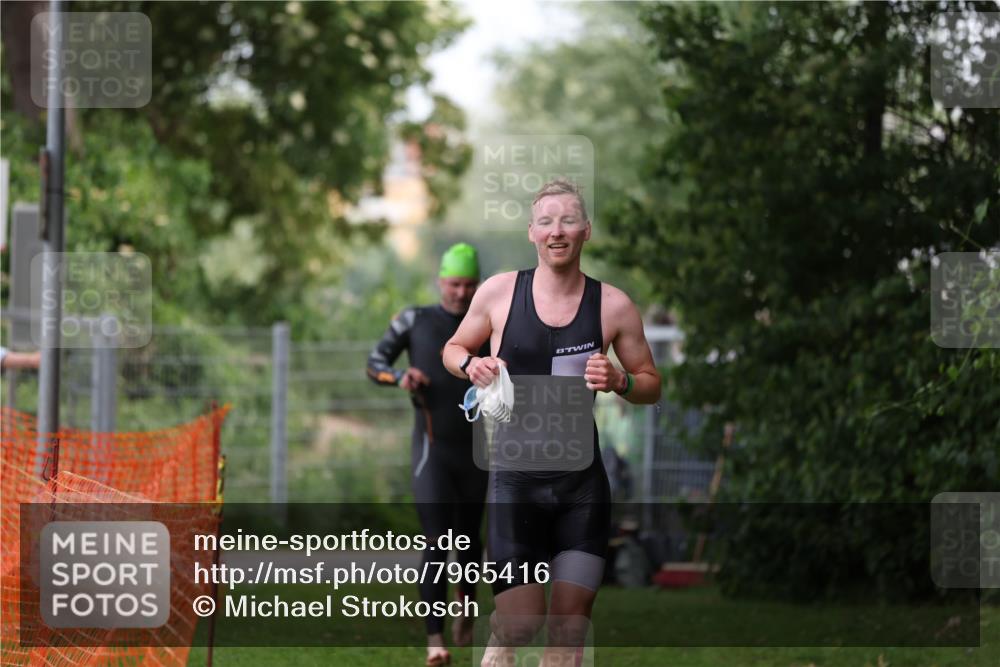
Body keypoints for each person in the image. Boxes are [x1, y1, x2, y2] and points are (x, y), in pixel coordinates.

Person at [443, 180, 661, 666]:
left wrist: (620, 380)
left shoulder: (613, 306)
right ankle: (501, 642)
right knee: (521, 623)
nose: (556, 231)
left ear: (586, 231)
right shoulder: (499, 292)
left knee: (568, 633)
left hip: (581, 489)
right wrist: (470, 365)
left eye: (567, 221)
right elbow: (453, 349)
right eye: (546, 221)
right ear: (532, 233)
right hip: (515, 481)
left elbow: (652, 384)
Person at [367, 243, 490, 666]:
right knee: (439, 543)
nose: (461, 292)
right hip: (432, 450)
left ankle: (467, 610)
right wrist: (401, 375)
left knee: (471, 544)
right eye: (455, 284)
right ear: (441, 281)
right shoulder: (415, 320)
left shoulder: (489, 324)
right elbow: (374, 362)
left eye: (470, 285)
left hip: (477, 452)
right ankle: (435, 640)